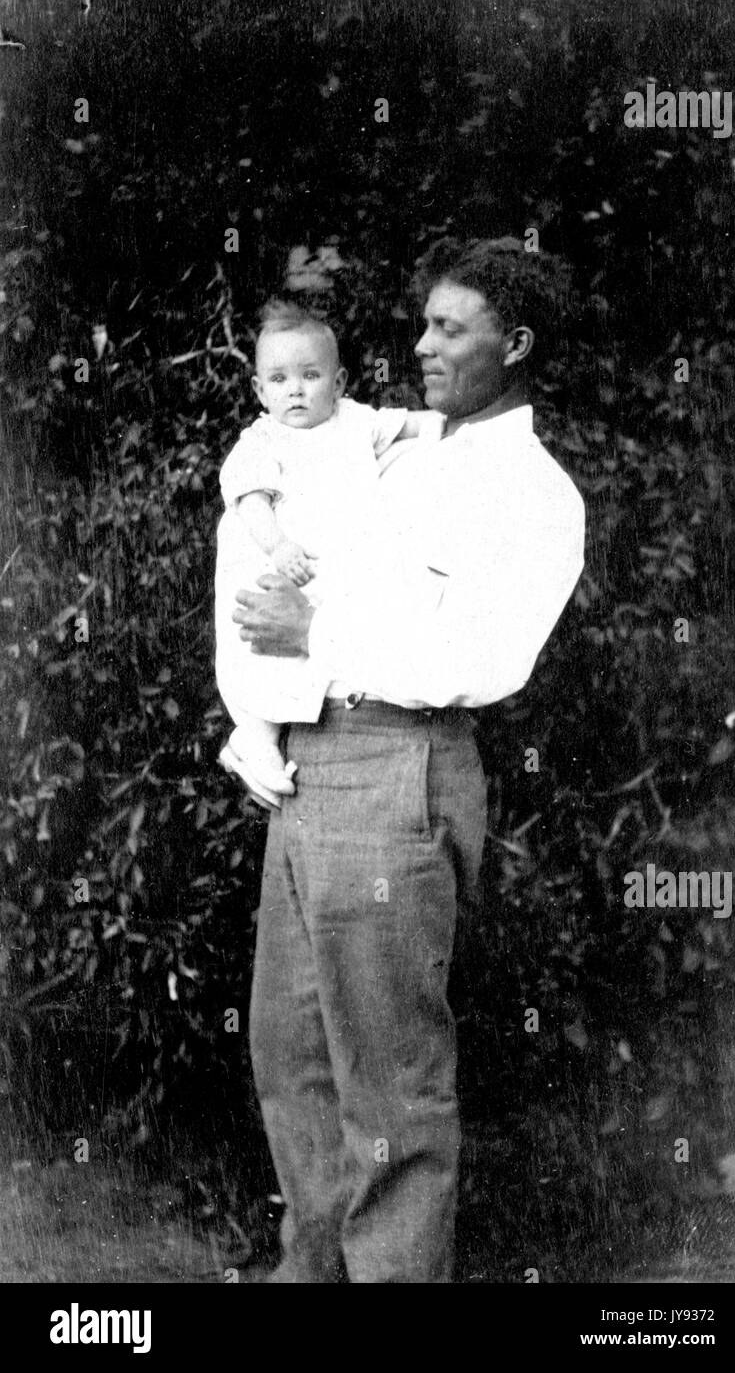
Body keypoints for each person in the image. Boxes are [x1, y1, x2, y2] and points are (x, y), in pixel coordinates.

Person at [222, 236, 586, 1283]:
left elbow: (465, 656)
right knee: (291, 1057)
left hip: (396, 763)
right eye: (423, 321)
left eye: (449, 328)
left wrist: (306, 627)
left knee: (388, 1081)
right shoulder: (403, 443)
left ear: (514, 345)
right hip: (311, 760)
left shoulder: (534, 491)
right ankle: (312, 1276)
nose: (421, 344)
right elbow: (269, 467)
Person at [215, 299, 444, 809]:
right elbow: (249, 497)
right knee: (267, 654)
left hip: (332, 568)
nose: (295, 389)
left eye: (310, 375)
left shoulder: (353, 422)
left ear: (338, 384)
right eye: (278, 380)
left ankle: (260, 740)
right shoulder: (262, 438)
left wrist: (453, 425)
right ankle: (255, 737)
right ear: (258, 390)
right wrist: (277, 546)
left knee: (322, 650)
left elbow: (410, 425)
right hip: (284, 561)